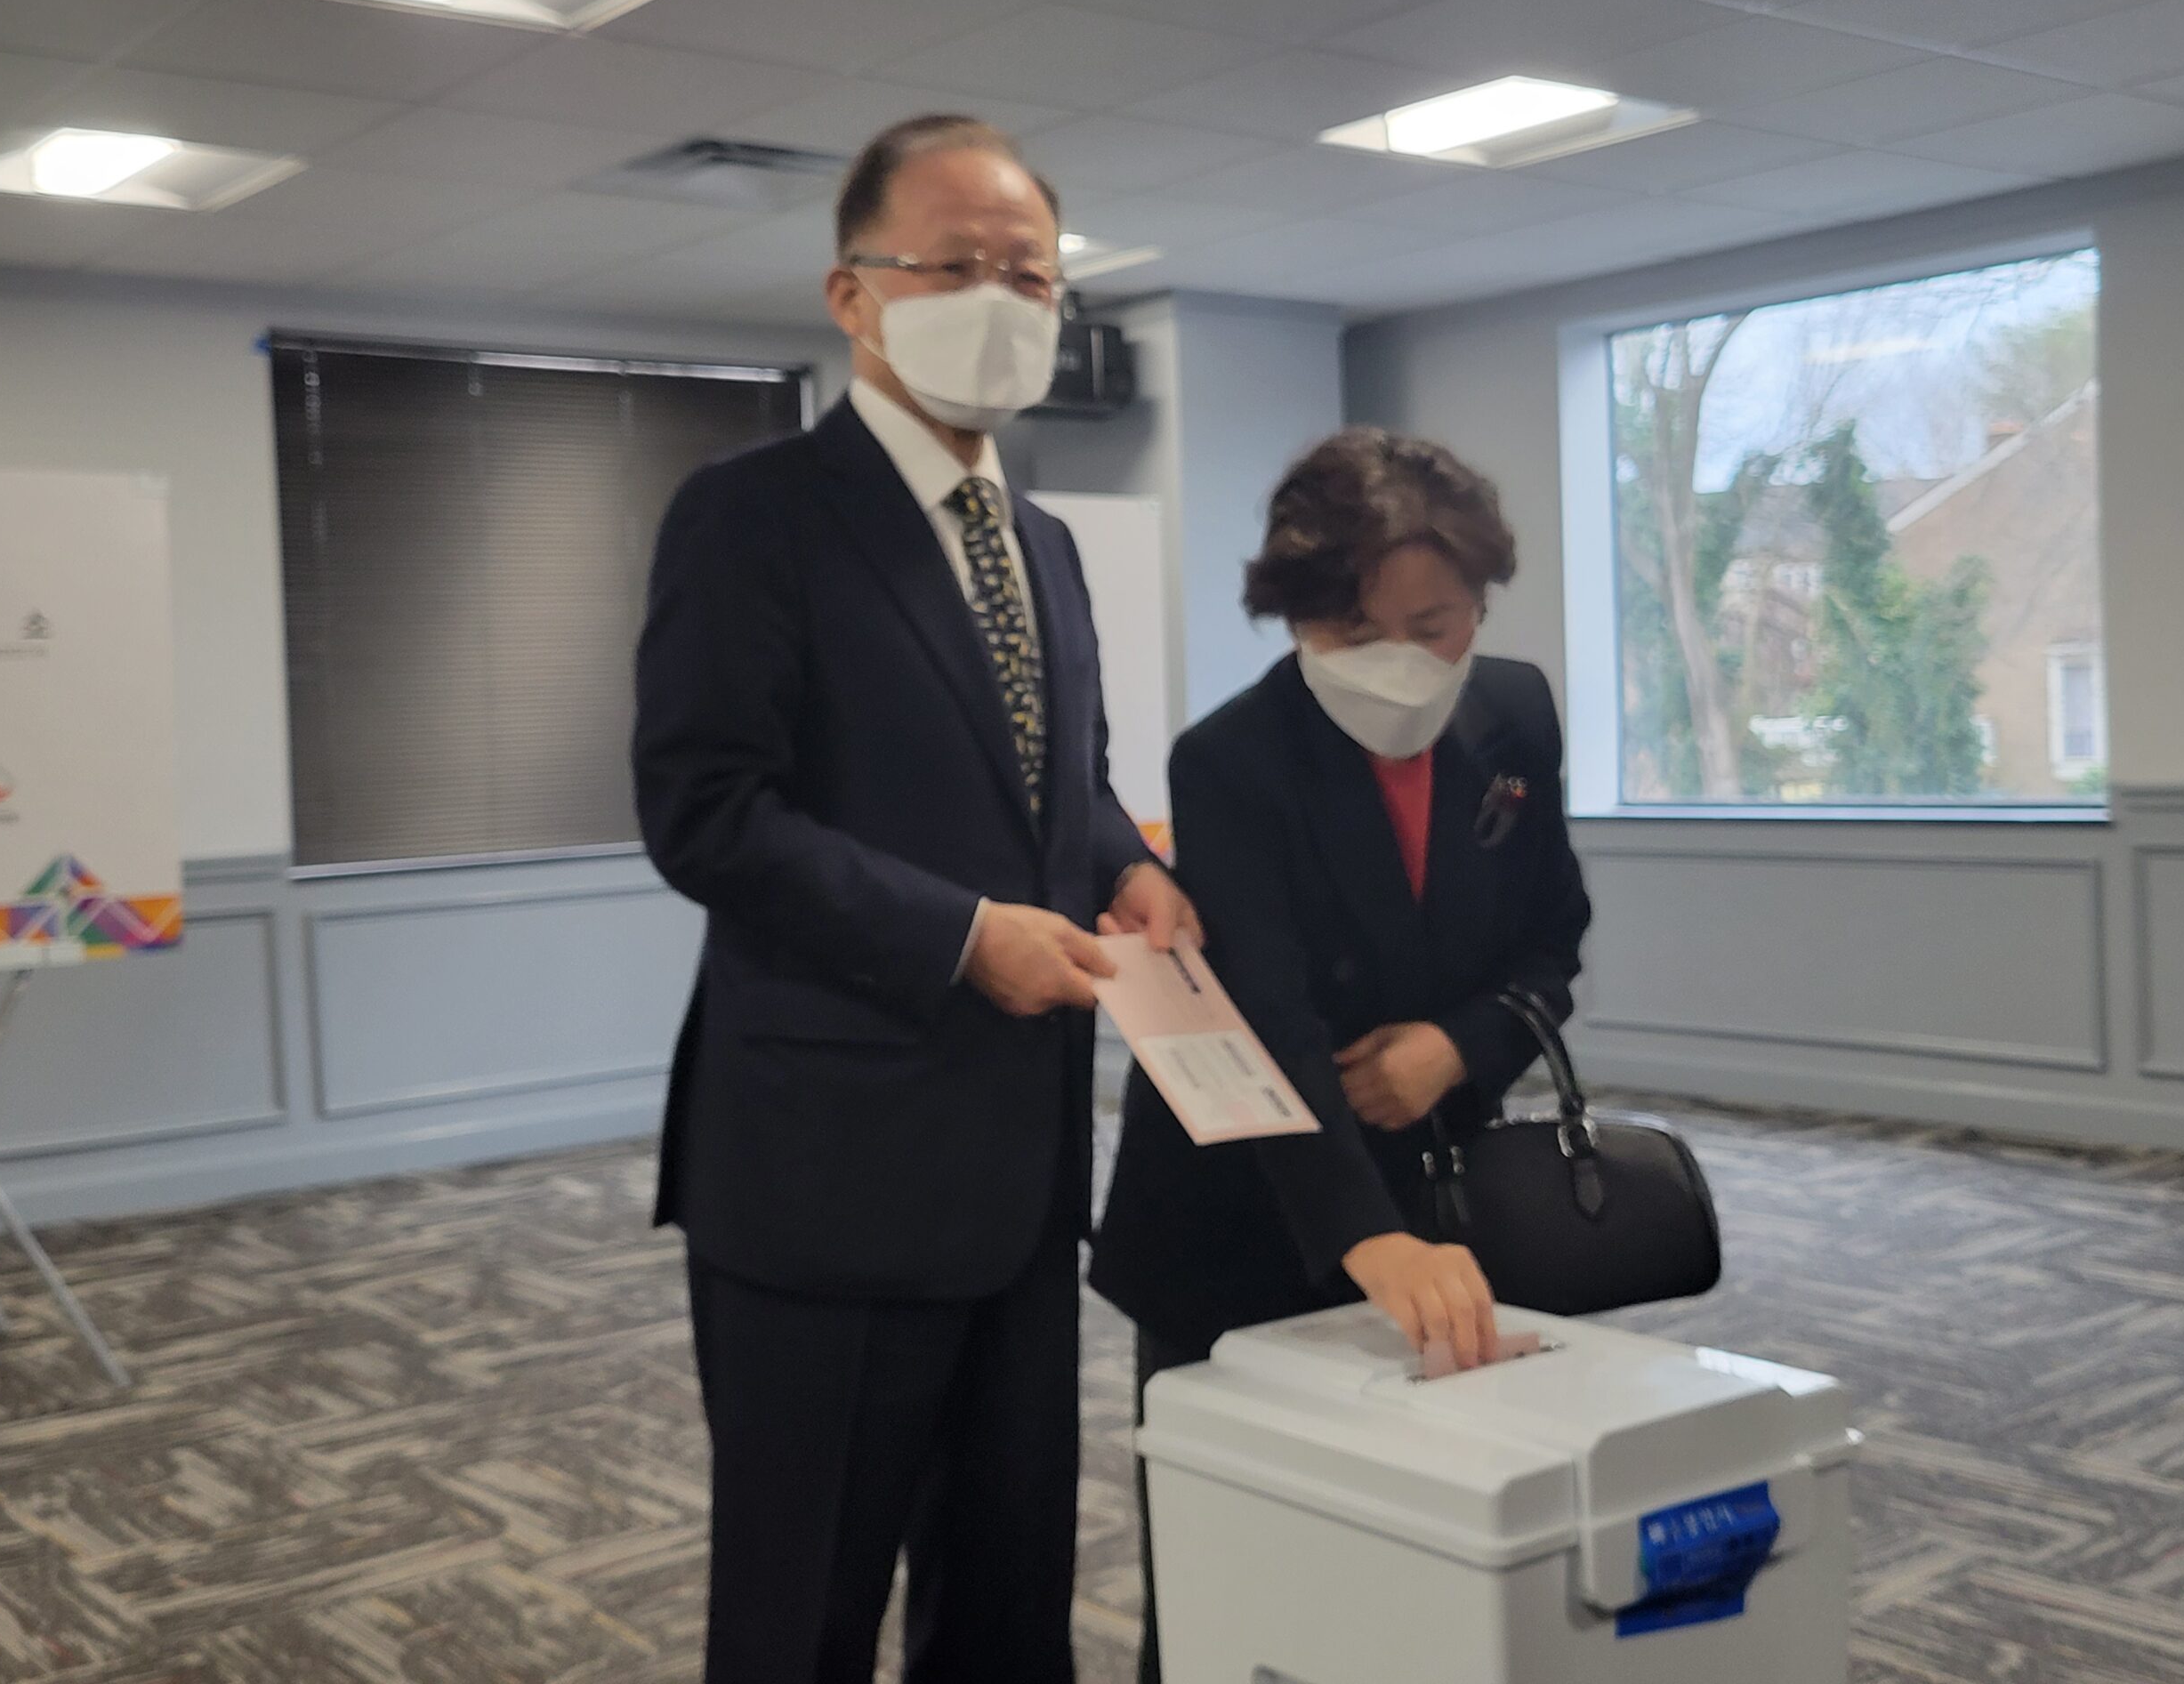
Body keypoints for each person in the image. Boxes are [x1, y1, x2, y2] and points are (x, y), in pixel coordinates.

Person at [633, 114, 1197, 1684]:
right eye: (956, 266)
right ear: (853, 294)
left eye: (1031, 274)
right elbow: (705, 813)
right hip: (825, 1179)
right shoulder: (751, 517)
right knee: (802, 1618)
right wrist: (961, 938)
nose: (1000, 300)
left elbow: (1061, 786)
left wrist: (1128, 865)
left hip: (1021, 1175)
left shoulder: (1047, 545)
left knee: (1010, 1610)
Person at [1090, 426, 1592, 1683]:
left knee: (1408, 1579)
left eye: (1434, 625)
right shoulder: (1232, 760)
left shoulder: (1515, 714)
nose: (1399, 664)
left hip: (1436, 1200)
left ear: (1480, 604)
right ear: (1296, 617)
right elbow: (1268, 1020)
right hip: (1243, 1212)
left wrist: (1456, 1049)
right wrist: (1367, 1238)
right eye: (1353, 633)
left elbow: (1552, 941)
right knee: (1225, 1588)